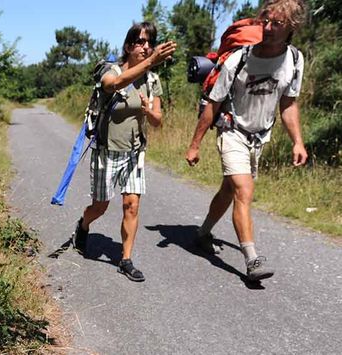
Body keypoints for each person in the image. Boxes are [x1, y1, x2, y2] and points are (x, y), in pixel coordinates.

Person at [185, 0, 308, 282]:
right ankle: (252, 260)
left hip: (259, 136)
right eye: (265, 21)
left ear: (291, 27)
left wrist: (297, 141)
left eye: (276, 23)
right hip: (232, 130)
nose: (267, 28)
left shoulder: (295, 60)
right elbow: (213, 104)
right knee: (243, 190)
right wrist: (195, 144)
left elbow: (288, 104)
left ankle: (202, 233)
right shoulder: (238, 58)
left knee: (228, 190)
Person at [73, 22, 176, 282]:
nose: (146, 47)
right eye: (141, 42)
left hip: (134, 152)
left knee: (131, 205)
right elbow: (115, 83)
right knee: (100, 206)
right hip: (107, 151)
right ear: (129, 46)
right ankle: (84, 225)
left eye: (150, 42)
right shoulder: (110, 69)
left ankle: (126, 259)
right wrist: (151, 60)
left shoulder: (152, 80)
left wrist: (148, 111)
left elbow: (157, 120)